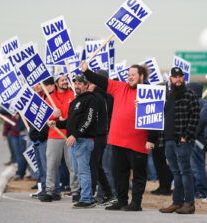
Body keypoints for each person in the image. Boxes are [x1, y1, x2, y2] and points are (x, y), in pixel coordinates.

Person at [80, 62, 156, 211]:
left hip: (138, 142)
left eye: (133, 75)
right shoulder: (120, 87)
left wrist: (152, 138)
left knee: (139, 175)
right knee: (119, 173)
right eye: (128, 75)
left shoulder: (149, 92)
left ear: (142, 76)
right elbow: (101, 81)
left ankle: (136, 203)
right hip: (118, 140)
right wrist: (86, 71)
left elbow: (156, 117)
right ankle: (122, 200)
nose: (130, 77)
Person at [53, 74, 98, 208]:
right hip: (74, 141)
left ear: (86, 85)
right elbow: (70, 123)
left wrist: (76, 135)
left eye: (80, 83)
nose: (77, 86)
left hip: (83, 140)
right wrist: (55, 124)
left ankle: (86, 199)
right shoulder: (75, 101)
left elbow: (88, 120)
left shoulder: (91, 99)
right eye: (76, 83)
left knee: (83, 171)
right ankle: (87, 197)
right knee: (78, 171)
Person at [159, 67, 200, 214]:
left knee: (185, 171)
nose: (178, 79)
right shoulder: (168, 95)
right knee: (176, 172)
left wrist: (186, 136)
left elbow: (195, 116)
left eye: (180, 76)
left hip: (181, 140)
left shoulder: (189, 94)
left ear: (183, 78)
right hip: (168, 139)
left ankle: (189, 203)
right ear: (170, 79)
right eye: (175, 76)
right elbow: (158, 112)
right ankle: (177, 202)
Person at [39, 73, 79, 202]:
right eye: (61, 80)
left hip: (69, 135)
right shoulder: (49, 98)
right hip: (54, 135)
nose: (64, 82)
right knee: (51, 165)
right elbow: (45, 119)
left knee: (72, 165)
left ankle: (75, 191)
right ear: (56, 83)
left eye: (65, 80)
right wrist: (53, 115)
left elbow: (77, 115)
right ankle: (50, 191)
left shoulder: (74, 96)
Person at [87, 72, 114, 203]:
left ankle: (92, 193)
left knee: (97, 165)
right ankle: (107, 192)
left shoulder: (103, 95)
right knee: (98, 166)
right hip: (102, 133)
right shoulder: (102, 94)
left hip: (101, 133)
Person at [187, 82, 207, 199]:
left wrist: (191, 135)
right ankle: (199, 190)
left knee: (197, 167)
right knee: (198, 166)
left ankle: (201, 191)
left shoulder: (197, 103)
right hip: (203, 139)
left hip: (197, 140)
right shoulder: (205, 103)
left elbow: (197, 123)